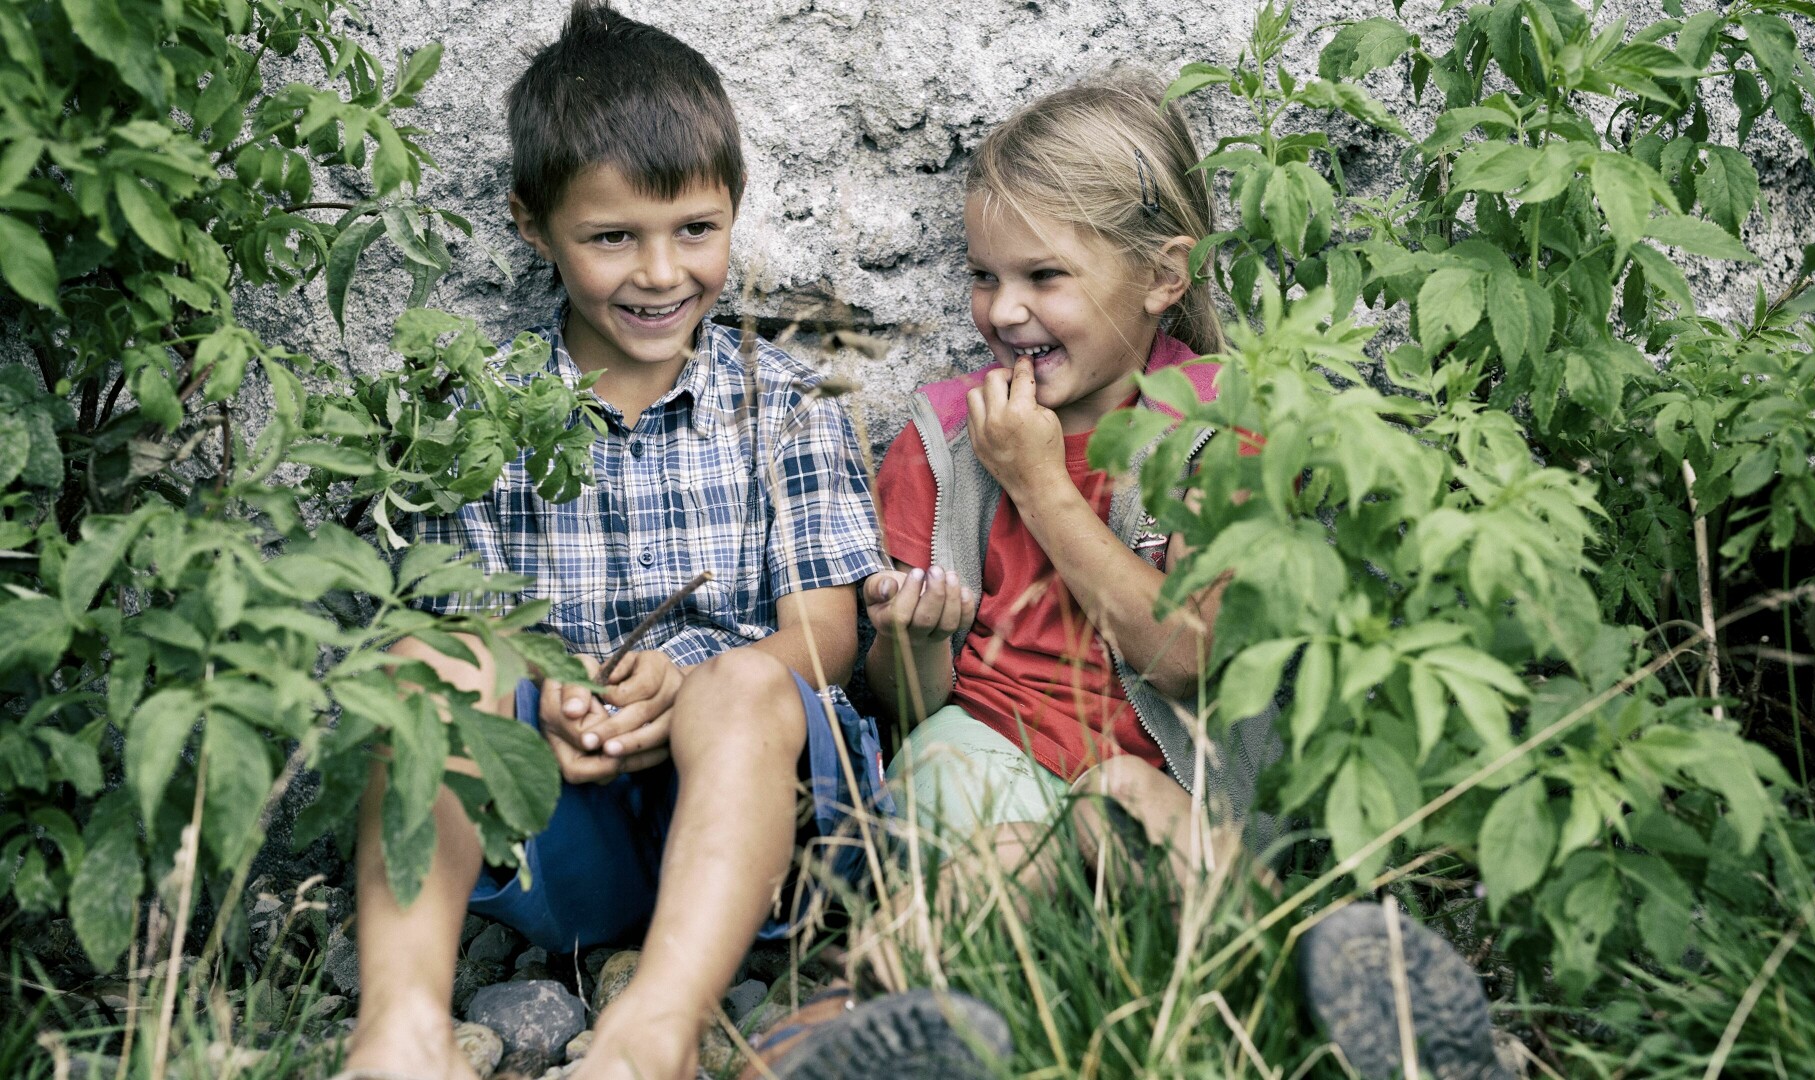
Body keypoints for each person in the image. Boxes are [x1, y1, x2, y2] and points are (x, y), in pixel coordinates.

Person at [340, 6, 1006, 1079]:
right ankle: (399, 1028)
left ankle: (654, 1033)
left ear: (733, 211)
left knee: (742, 688)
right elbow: (459, 629)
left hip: (764, 818)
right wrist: (554, 695)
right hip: (567, 807)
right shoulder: (474, 416)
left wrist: (691, 681)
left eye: (695, 229)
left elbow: (827, 633)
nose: (660, 273)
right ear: (531, 224)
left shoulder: (783, 402)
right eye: (612, 238)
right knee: (418, 669)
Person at [860, 70, 1515, 1080]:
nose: (1003, 311)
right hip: (981, 784)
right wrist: (913, 642)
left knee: (1118, 796)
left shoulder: (1219, 432)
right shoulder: (943, 440)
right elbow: (910, 709)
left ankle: (1337, 1008)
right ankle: (850, 1031)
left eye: (1045, 277)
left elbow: (1184, 658)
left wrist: (1042, 485)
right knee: (998, 857)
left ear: (1165, 275)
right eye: (984, 275)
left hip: (1169, 794)